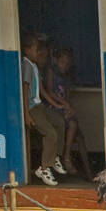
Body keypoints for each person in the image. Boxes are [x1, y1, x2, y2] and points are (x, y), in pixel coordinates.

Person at [21, 32, 66, 187]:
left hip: (39, 105)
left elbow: (42, 91)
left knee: (60, 122)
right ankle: (44, 168)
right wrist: (26, 114)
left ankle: (54, 158)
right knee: (50, 133)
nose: (39, 53)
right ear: (27, 50)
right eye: (36, 50)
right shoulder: (26, 65)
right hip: (32, 108)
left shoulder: (34, 66)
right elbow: (25, 89)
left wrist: (56, 104)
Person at [46, 47, 94, 181]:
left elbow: (67, 98)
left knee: (80, 137)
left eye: (67, 64)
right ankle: (66, 157)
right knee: (72, 124)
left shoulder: (66, 78)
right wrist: (64, 105)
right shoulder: (51, 72)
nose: (64, 66)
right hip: (53, 108)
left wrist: (69, 108)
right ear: (56, 60)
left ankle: (89, 170)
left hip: (62, 109)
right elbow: (49, 91)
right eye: (62, 62)